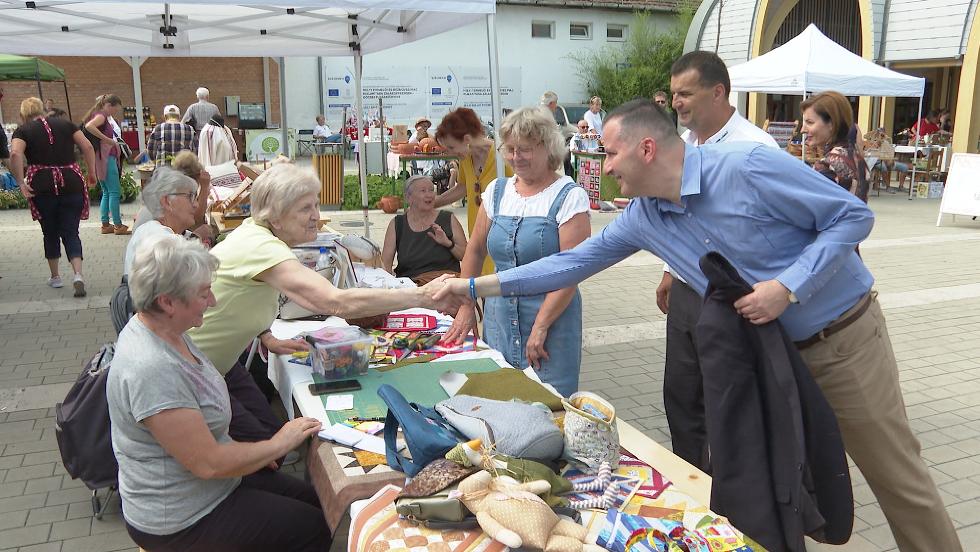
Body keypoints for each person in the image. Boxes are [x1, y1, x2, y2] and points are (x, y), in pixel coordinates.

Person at [441, 99, 962, 552]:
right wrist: (469, 288)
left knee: (895, 475)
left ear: (647, 149)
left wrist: (787, 286)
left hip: (842, 340)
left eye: (610, 151)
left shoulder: (747, 165)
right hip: (771, 355)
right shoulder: (644, 216)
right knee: (778, 476)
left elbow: (852, 217)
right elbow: (569, 264)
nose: (602, 162)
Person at [185, 164, 462, 445]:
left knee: (269, 432)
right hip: (190, 372)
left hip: (216, 364)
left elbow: (240, 291)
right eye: (305, 208)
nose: (317, 217)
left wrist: (266, 336)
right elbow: (335, 302)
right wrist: (422, 296)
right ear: (276, 217)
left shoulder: (257, 234)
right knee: (266, 445)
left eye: (316, 206)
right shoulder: (261, 247)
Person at [108, 235, 330, 552]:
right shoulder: (152, 368)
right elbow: (208, 464)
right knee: (313, 528)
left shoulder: (167, 331)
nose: (212, 301)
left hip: (211, 487)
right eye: (202, 293)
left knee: (321, 503)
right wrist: (276, 444)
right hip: (181, 518)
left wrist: (256, 455)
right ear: (167, 302)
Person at [655, 50, 779, 471]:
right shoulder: (684, 145)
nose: (677, 103)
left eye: (685, 93)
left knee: (727, 402)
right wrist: (670, 270)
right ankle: (690, 485)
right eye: (674, 95)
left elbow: (779, 226)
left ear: (719, 92)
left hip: (737, 295)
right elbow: (680, 215)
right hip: (689, 290)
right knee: (681, 395)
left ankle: (734, 498)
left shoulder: (756, 147)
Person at [443, 106, 591, 397]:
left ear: (547, 147)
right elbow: (474, 252)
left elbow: (571, 272)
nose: (514, 158)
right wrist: (466, 307)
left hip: (551, 324)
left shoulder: (569, 196)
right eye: (508, 149)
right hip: (499, 320)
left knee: (548, 405)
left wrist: (541, 325)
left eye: (524, 149)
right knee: (499, 403)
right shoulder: (497, 192)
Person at [9, 97, 97, 297]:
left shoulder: (23, 130)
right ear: (42, 109)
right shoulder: (66, 124)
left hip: (43, 184)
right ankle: (78, 274)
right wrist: (91, 172)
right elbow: (88, 147)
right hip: (71, 181)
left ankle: (56, 277)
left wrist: (21, 183)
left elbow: (15, 154)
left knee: (49, 231)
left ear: (23, 115)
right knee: (71, 232)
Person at [434, 107, 513, 274]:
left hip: (502, 234)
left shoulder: (502, 156)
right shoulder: (465, 158)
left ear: (467, 139)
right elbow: (462, 187)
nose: (449, 153)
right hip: (477, 233)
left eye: (451, 147)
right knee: (482, 286)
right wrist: (433, 203)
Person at [381, 174, 466, 285]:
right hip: (412, 288)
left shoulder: (448, 218)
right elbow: (385, 265)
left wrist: (448, 244)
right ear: (408, 197)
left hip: (446, 285)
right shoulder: (397, 224)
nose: (429, 195)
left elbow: (466, 255)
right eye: (423, 191)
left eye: (431, 190)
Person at [801, 91, 869, 202]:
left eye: (809, 122)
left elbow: (810, 209)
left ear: (831, 124)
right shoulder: (858, 159)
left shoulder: (827, 165)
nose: (802, 130)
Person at [84, 93, 130, 235]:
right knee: (114, 191)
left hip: (99, 158)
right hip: (106, 158)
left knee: (106, 192)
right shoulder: (101, 116)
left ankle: (105, 224)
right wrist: (108, 140)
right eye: (115, 109)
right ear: (109, 105)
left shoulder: (98, 115)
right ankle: (117, 225)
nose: (114, 113)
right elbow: (89, 126)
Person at [540, 91, 574, 176]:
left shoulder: (541, 112)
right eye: (556, 103)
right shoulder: (545, 115)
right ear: (551, 103)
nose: (556, 105)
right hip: (548, 154)